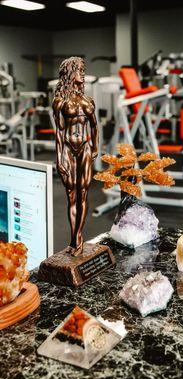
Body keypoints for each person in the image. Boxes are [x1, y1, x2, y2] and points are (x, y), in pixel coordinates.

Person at [53, 57, 98, 256]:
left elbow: (95, 126)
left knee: (83, 194)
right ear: (70, 73)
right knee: (71, 194)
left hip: (85, 149)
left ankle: (78, 238)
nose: (83, 73)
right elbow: (59, 133)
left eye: (83, 69)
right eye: (79, 70)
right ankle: (74, 240)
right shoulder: (60, 101)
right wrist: (59, 158)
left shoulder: (89, 102)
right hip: (68, 150)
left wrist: (95, 147)